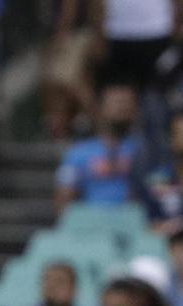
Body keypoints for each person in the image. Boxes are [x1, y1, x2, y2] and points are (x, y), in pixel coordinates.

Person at [55, 81, 140, 213]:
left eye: (128, 102)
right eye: (118, 102)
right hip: (91, 225)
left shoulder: (143, 151)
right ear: (100, 109)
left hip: (135, 224)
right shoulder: (78, 153)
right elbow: (64, 199)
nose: (123, 108)